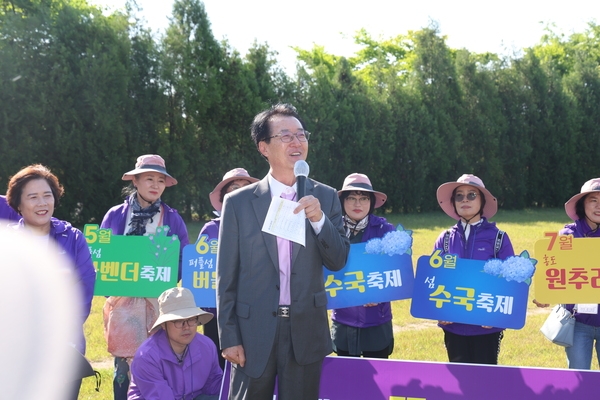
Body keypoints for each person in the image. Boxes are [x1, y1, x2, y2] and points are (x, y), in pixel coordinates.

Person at [217, 103, 350, 400]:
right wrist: (229, 337)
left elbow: (338, 259)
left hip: (306, 329)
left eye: (301, 135)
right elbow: (226, 276)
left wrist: (319, 220)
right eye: (286, 136)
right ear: (264, 147)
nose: (297, 142)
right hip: (254, 333)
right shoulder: (239, 203)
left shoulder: (325, 197)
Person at [101, 154, 189, 399]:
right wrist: (115, 285)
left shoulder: (172, 218)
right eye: (149, 179)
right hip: (123, 303)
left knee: (159, 359)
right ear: (136, 182)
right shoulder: (116, 215)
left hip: (158, 303)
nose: (155, 185)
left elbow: (181, 257)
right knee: (124, 363)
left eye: (160, 181)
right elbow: (103, 254)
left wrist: (164, 282)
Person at [6, 164, 97, 398]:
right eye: (33, 197)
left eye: (47, 196)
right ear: (18, 204)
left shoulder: (73, 239)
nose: (42, 203)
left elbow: (82, 294)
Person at [433, 174, 515, 365]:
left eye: (471, 195)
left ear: (482, 201)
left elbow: (511, 282)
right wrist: (439, 311)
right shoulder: (444, 239)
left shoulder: (499, 238)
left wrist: (497, 317)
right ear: (453, 203)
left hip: (486, 328)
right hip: (453, 327)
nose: (465, 200)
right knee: (460, 385)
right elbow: (434, 279)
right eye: (459, 196)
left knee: (485, 385)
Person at [534, 178, 600, 369]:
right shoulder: (567, 236)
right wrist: (545, 293)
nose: (598, 206)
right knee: (579, 378)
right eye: (593, 200)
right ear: (582, 204)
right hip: (578, 323)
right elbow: (552, 272)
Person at [199, 167, 258, 370]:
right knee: (219, 369)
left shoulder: (265, 228)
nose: (241, 192)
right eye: (234, 188)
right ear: (224, 198)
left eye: (246, 188)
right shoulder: (211, 229)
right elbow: (200, 271)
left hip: (255, 312)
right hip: (218, 314)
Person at [331, 173, 395, 359]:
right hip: (343, 319)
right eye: (351, 198)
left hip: (377, 320)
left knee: (378, 382)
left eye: (364, 198)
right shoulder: (332, 230)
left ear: (372, 202)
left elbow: (399, 273)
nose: (357, 204)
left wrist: (382, 293)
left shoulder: (386, 231)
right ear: (342, 201)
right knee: (346, 380)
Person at [128, 287, 222, 400]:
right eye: (178, 321)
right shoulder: (147, 355)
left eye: (191, 319)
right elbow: (159, 396)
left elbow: (213, 385)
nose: (186, 326)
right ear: (163, 325)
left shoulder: (207, 346)